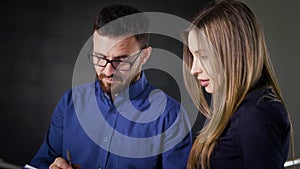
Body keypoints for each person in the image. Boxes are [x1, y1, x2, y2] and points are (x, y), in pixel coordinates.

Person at [27, 4, 192, 169]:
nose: (107, 70)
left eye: (120, 60)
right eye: (99, 57)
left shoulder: (170, 117)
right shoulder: (70, 101)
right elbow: (40, 162)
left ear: (144, 56)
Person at [182, 0, 293, 168]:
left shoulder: (255, 115)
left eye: (203, 56)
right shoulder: (243, 110)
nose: (194, 69)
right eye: (193, 57)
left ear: (234, 52)